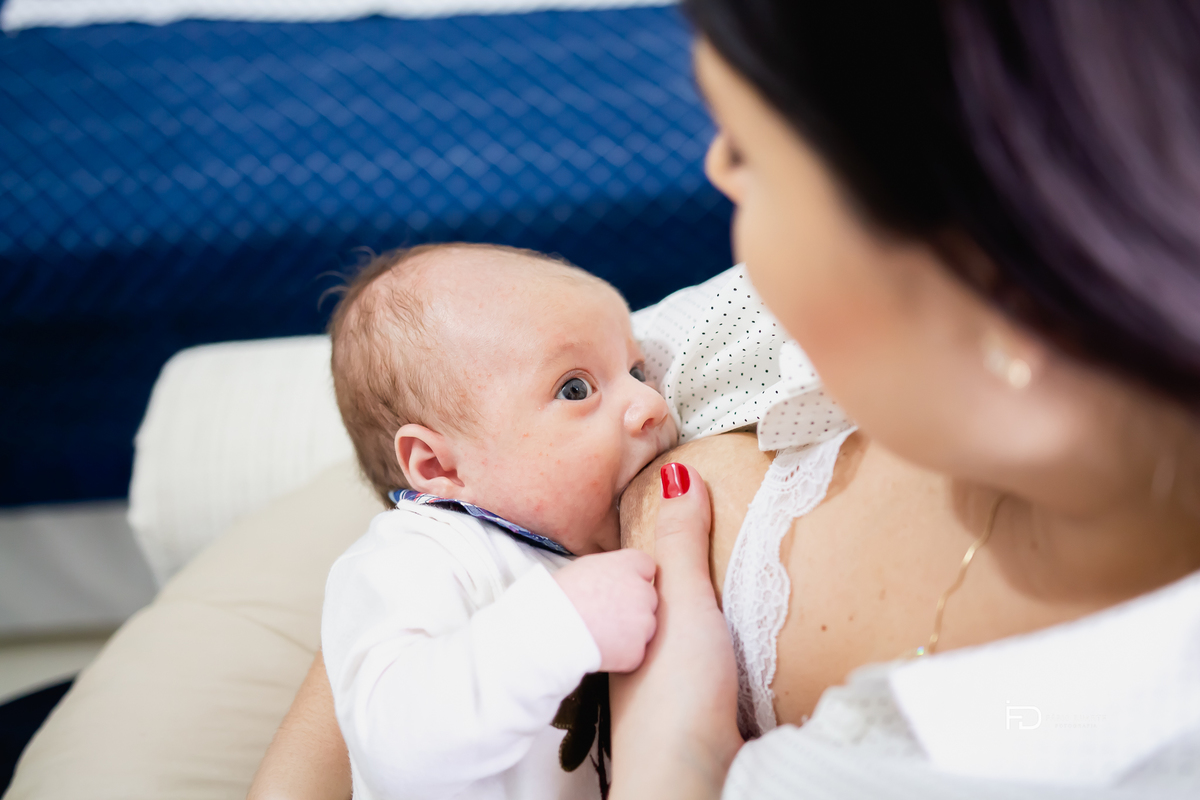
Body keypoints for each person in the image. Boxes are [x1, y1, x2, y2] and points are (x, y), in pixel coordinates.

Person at [609, 0, 1200, 797]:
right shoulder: (808, 325)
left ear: (988, 279)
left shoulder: (1024, 758)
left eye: (747, 148)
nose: (719, 167)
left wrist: (665, 758)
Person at [310, 241, 844, 800]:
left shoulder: (583, 544)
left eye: (637, 371)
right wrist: (557, 624)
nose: (651, 404)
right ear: (438, 466)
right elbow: (396, 746)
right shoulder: (420, 555)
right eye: (576, 388)